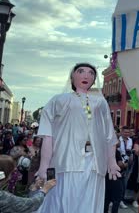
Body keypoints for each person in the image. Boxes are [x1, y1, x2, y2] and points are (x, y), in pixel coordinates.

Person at [35, 63, 121, 213]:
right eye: (81, 71)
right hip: (65, 161)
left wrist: (112, 161)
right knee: (63, 201)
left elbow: (109, 135)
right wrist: (44, 166)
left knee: (89, 203)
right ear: (72, 76)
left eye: (91, 73)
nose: (86, 75)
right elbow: (48, 135)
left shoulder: (100, 103)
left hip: (94, 164)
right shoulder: (59, 100)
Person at [104, 144, 127, 213]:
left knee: (106, 199)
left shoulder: (104, 151)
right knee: (117, 198)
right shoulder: (115, 151)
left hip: (105, 176)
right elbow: (120, 164)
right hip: (115, 176)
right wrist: (125, 165)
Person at [118, 126, 132, 209]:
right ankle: (115, 199)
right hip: (119, 163)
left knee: (124, 183)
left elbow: (129, 152)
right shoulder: (118, 140)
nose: (127, 134)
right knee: (118, 183)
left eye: (128, 132)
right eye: (125, 132)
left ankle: (121, 200)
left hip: (127, 164)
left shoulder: (130, 140)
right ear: (122, 132)